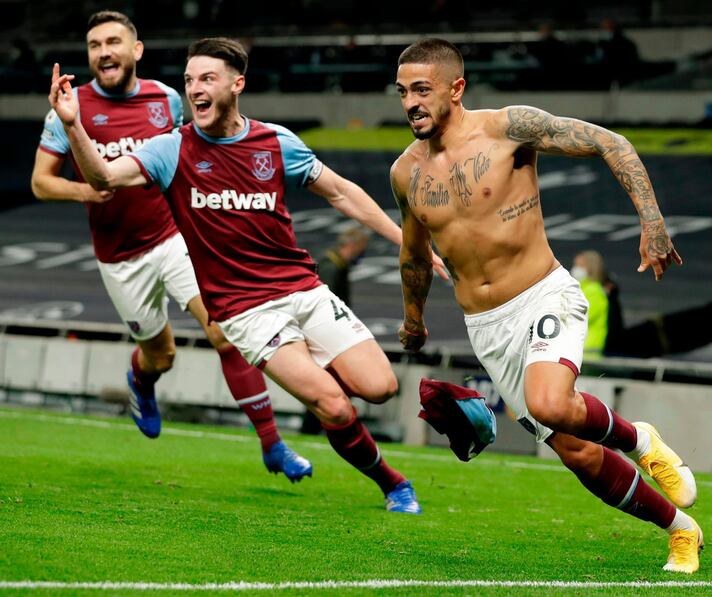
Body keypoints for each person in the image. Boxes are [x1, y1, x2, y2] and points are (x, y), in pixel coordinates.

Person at [47, 36, 448, 513]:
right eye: (189, 80)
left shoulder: (275, 143)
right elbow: (103, 178)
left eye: (207, 79)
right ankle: (394, 483)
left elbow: (342, 193)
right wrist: (73, 126)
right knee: (336, 406)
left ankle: (309, 377)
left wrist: (408, 242)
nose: (195, 88)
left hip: (304, 290)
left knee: (381, 388)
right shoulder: (171, 149)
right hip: (246, 311)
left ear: (237, 84)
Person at [391, 38, 703, 571]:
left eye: (422, 90)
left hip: (543, 294)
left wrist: (652, 223)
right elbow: (415, 254)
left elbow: (613, 143)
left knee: (551, 403)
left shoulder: (509, 129)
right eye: (402, 92)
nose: (410, 103)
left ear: (456, 89)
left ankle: (640, 438)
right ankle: (681, 530)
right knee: (579, 455)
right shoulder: (406, 172)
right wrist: (413, 319)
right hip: (486, 328)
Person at [31, 11, 311, 483]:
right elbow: (40, 183)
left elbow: (194, 153)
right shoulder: (69, 108)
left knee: (223, 331)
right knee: (162, 355)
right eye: (95, 45)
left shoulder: (166, 99)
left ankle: (272, 444)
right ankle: (142, 380)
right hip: (120, 258)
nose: (104, 52)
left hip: (175, 238)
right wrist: (87, 190)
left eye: (114, 42)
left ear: (135, 50)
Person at [300, 224, 370, 435]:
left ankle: (319, 427)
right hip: (328, 338)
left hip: (329, 336)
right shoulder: (331, 267)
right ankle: (320, 427)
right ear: (352, 245)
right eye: (361, 248)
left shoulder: (334, 264)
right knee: (330, 383)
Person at [570, 251, 609, 358]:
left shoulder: (594, 291)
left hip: (588, 349)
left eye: (580, 265)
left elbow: (580, 317)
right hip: (580, 347)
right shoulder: (581, 288)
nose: (576, 268)